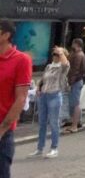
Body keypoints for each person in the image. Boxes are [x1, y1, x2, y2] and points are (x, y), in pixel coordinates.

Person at [0, 20, 32, 178]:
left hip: (2, 132)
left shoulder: (21, 60)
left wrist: (2, 128)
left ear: (6, 35)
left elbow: (21, 98)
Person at [29, 46, 68, 158]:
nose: (54, 56)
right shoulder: (49, 66)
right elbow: (44, 78)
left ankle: (54, 148)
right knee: (42, 123)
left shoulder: (62, 67)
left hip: (54, 95)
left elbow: (66, 64)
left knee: (54, 123)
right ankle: (40, 148)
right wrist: (39, 87)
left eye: (57, 55)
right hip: (44, 95)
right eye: (54, 54)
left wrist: (61, 52)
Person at [65, 39, 85, 133]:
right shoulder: (79, 54)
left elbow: (75, 70)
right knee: (74, 103)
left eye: (73, 44)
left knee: (75, 103)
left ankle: (74, 125)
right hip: (77, 80)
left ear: (76, 44)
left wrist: (70, 82)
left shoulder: (78, 55)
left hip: (75, 81)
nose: (72, 45)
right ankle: (76, 122)